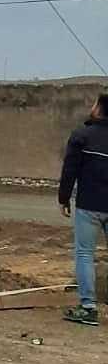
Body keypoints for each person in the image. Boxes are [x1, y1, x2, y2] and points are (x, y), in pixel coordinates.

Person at [59, 91, 108, 326]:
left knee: (85, 254)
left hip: (89, 205)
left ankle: (88, 308)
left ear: (99, 108)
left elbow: (70, 170)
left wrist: (63, 198)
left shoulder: (82, 135)